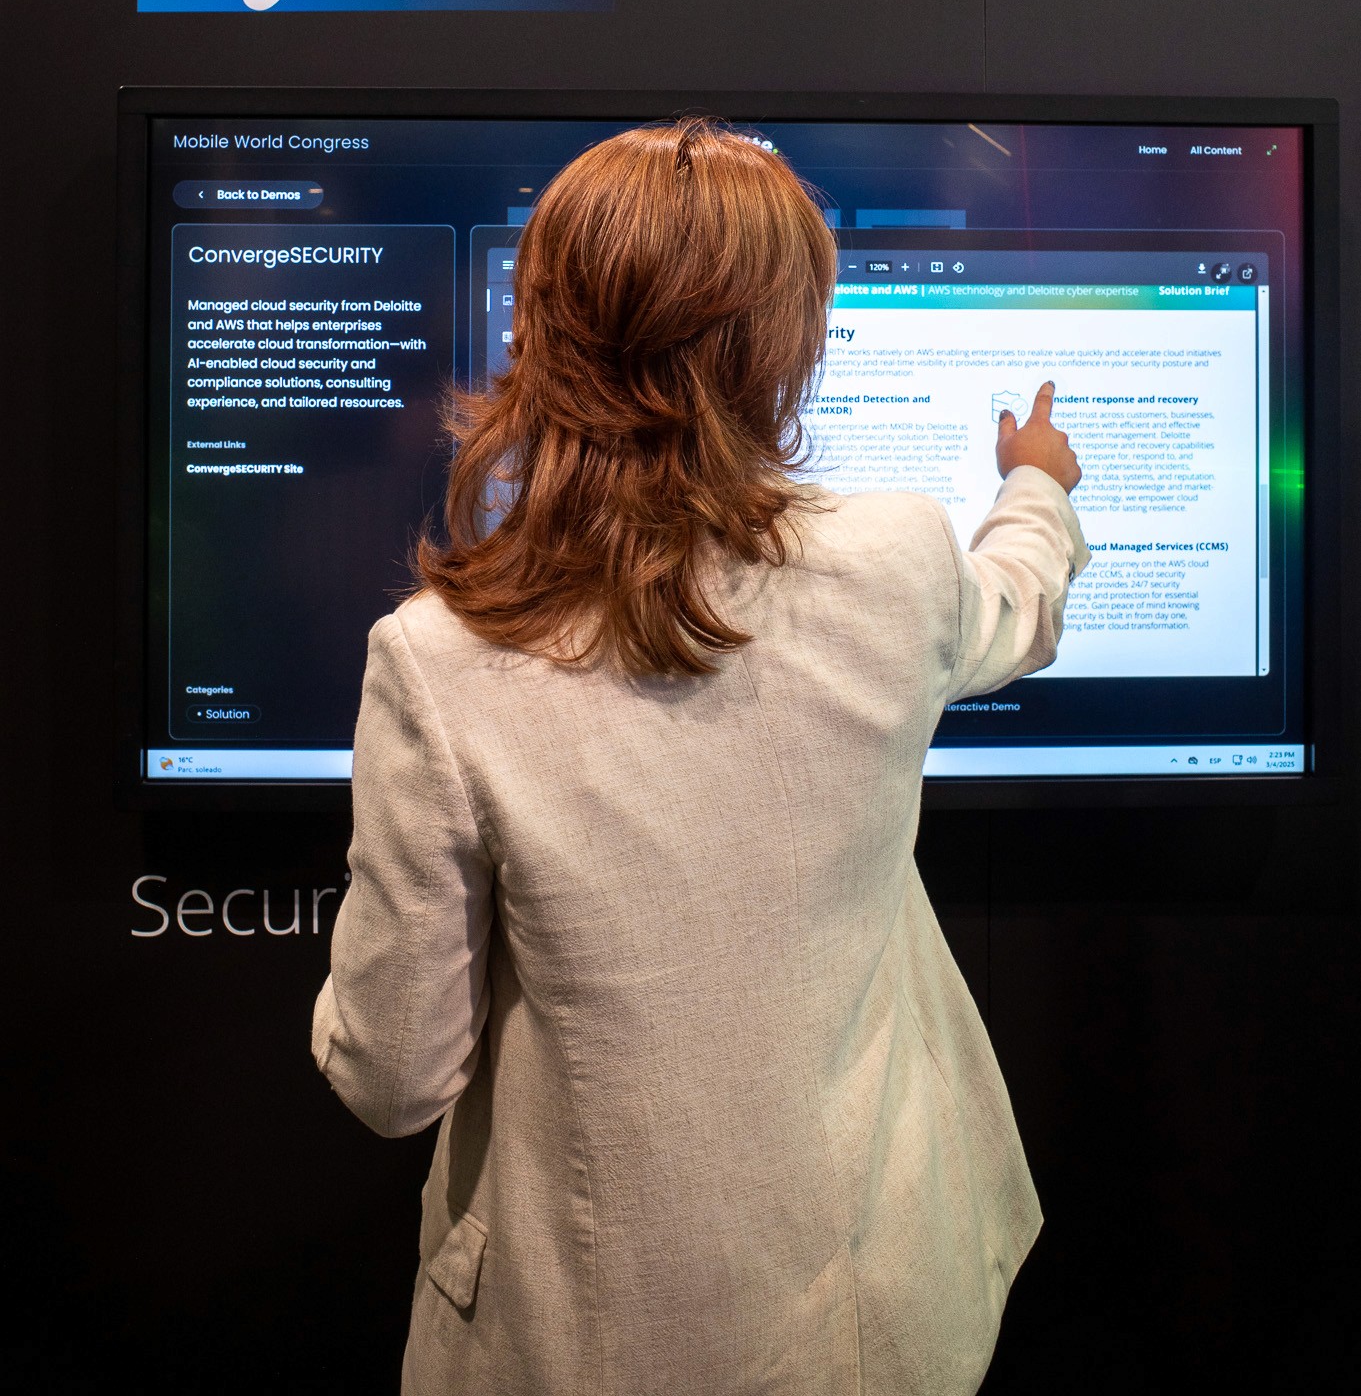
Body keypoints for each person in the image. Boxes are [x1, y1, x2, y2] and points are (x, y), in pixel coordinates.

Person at [312, 118, 1086, 1396]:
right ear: (789, 345)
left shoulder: (437, 661)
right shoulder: (896, 564)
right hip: (881, 1311)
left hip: (587, 1337)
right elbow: (1016, 602)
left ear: (539, 331)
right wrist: (1036, 484)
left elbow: (393, 1076)